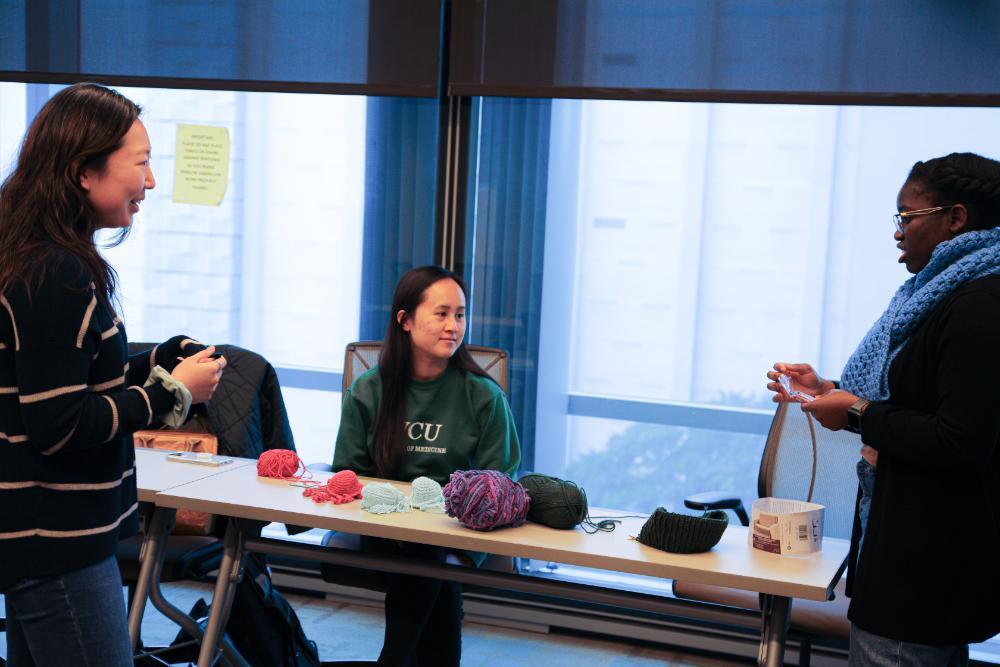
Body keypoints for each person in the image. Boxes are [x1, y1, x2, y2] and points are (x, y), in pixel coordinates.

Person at [0, 83, 225, 666]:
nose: (150, 182)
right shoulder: (58, 272)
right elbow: (57, 421)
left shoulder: (37, 258)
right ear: (82, 170)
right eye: (142, 162)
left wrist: (158, 362)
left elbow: (66, 381)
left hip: (40, 538)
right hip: (57, 541)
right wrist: (172, 394)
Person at [767, 153, 1000, 666]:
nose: (898, 233)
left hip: (923, 561)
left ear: (956, 218)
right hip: (909, 544)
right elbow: (915, 401)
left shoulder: (979, 304)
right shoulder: (942, 294)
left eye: (907, 217)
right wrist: (826, 388)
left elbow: (960, 440)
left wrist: (855, 414)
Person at [332, 265, 521, 666]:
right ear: (405, 320)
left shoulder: (484, 396)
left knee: (430, 553)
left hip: (460, 533)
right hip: (384, 527)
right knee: (431, 564)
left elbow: (501, 485)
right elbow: (348, 475)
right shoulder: (368, 390)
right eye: (441, 313)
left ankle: (393, 659)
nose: (454, 325)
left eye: (460, 314)